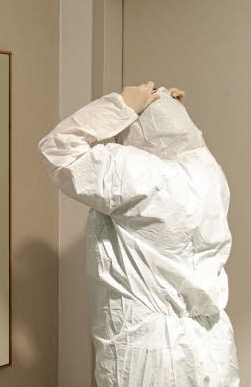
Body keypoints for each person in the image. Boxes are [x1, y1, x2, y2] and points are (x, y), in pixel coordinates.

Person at [38, 83, 239, 386]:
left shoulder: (140, 174)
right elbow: (182, 143)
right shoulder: (209, 172)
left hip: (149, 352)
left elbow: (59, 149)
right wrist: (172, 112)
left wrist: (121, 105)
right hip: (210, 346)